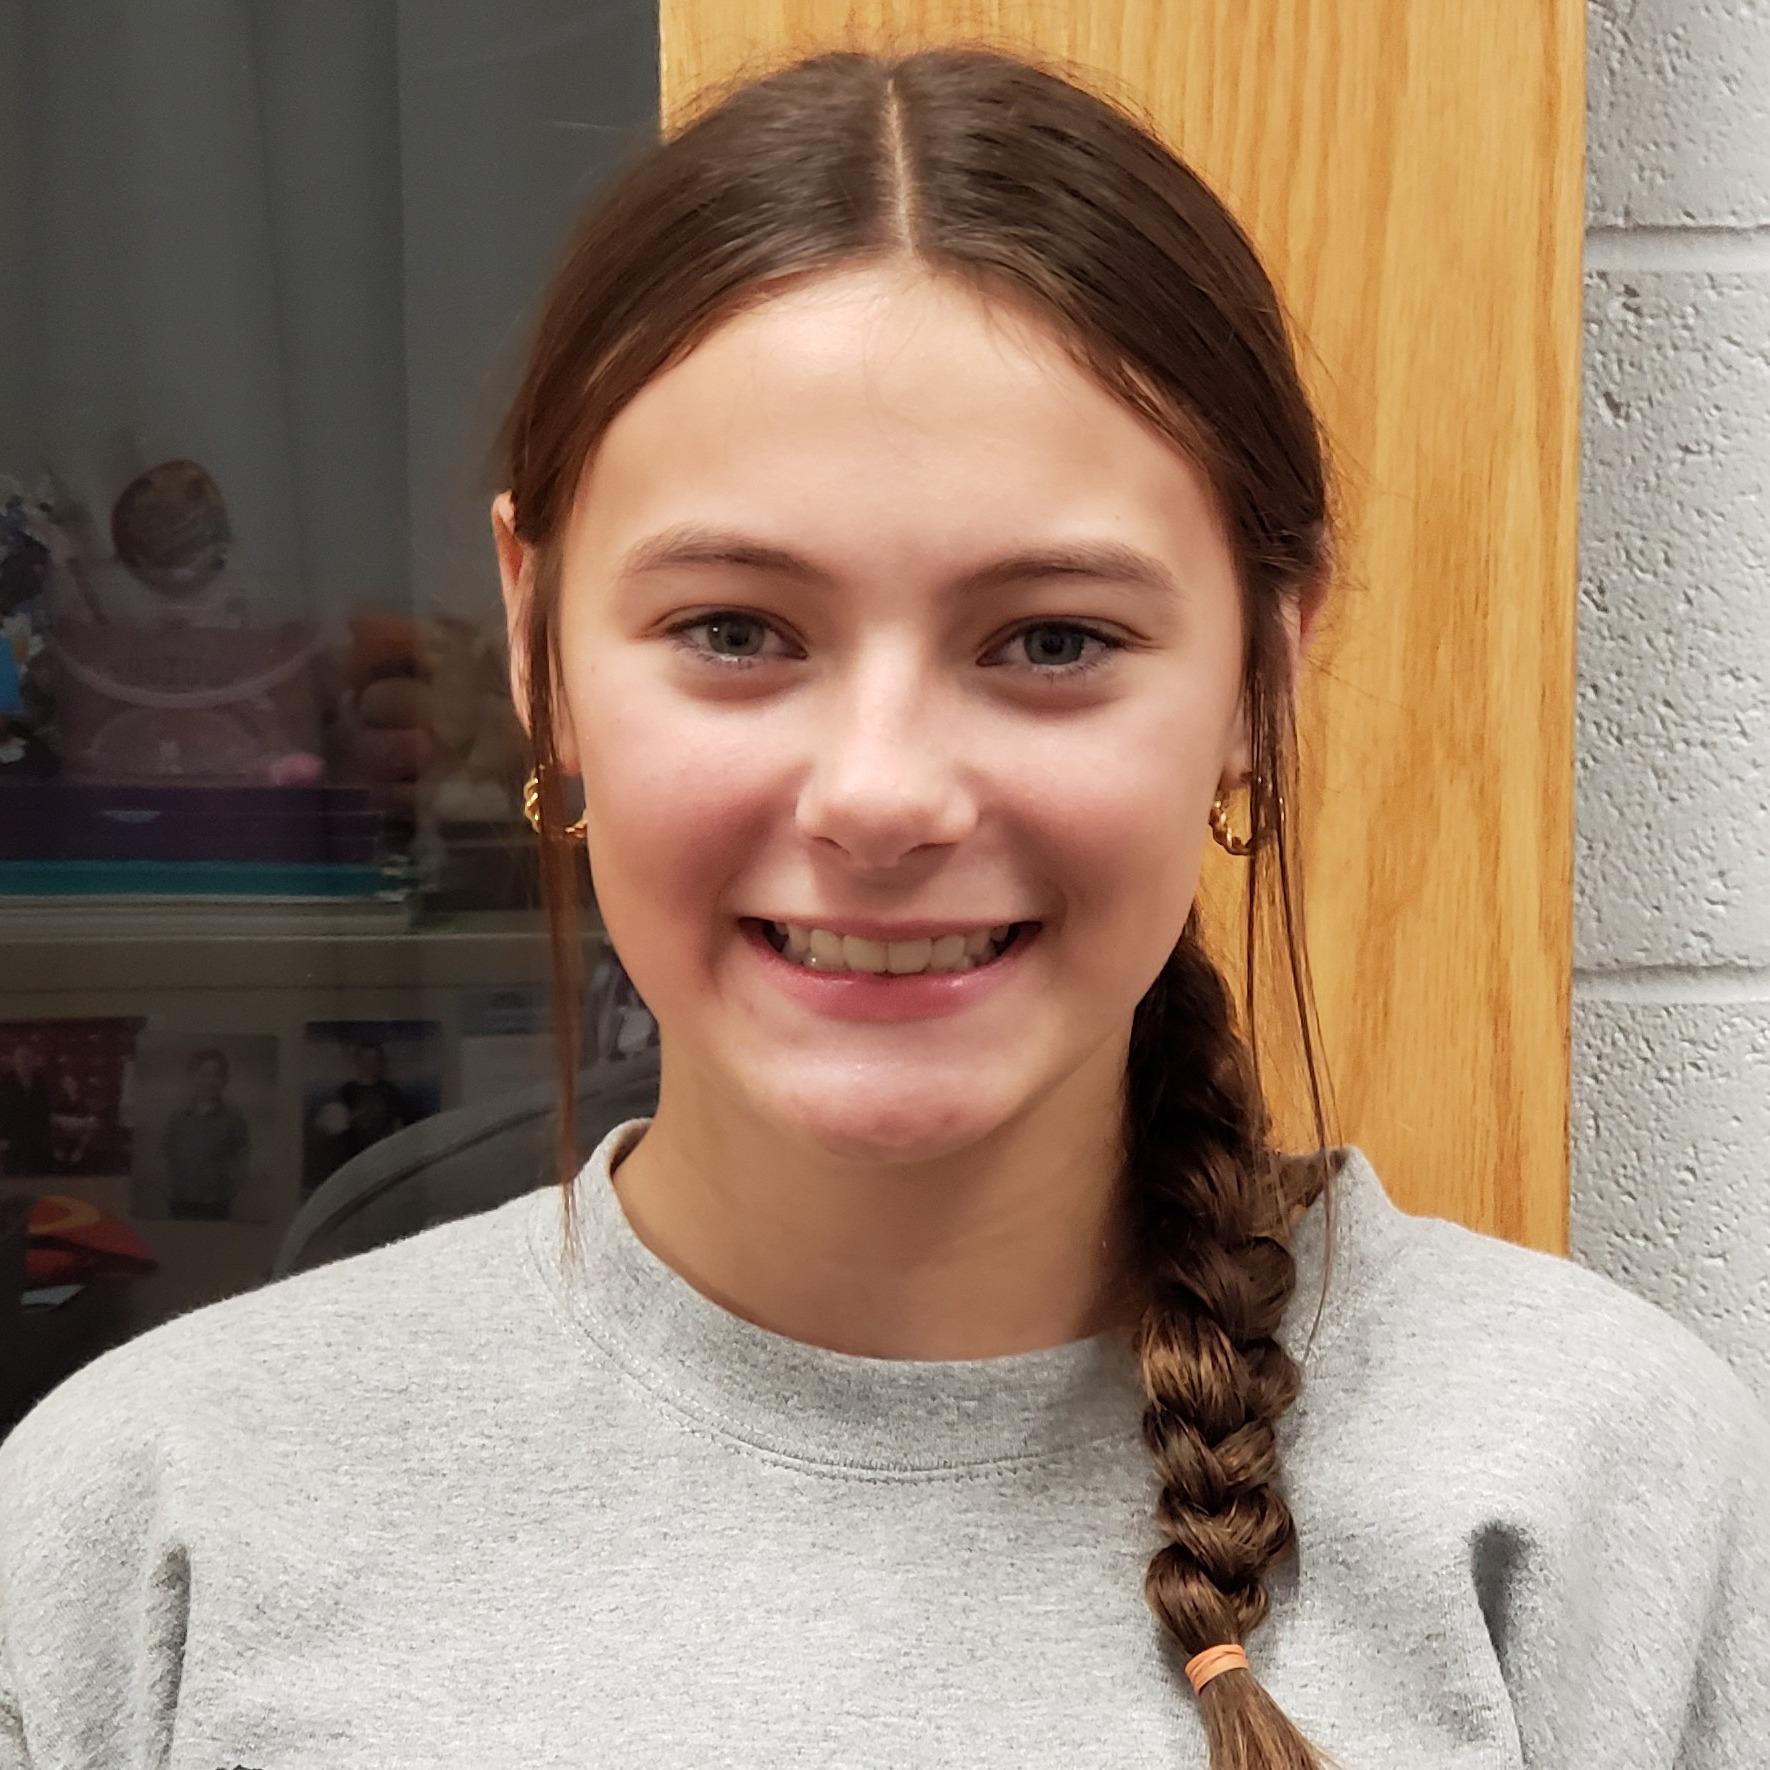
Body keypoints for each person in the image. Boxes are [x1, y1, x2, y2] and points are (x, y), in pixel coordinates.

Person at [1, 46, 1765, 1770]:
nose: (881, 795)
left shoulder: (1599, 1490)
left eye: (1053, 640)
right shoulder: (150, 1522)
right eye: (735, 632)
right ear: (536, 635)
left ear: (1260, 679)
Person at [161, 1047, 250, 1221]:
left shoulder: (233, 1118)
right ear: (192, 1077)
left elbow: (242, 1155)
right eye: (203, 1075)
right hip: (180, 1200)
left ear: (225, 1080)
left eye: (216, 1075)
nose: (210, 1081)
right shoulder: (177, 1118)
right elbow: (165, 1154)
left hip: (217, 1203)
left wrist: (231, 1189)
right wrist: (171, 1187)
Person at [0, 1036, 50, 1177]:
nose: (24, 1061)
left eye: (28, 1057)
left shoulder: (41, 1083)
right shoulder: (4, 1083)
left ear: (34, 1061)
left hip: (36, 1141)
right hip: (11, 1140)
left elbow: (44, 1113)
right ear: (14, 1061)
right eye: (21, 1057)